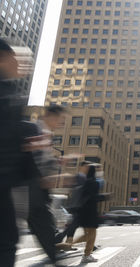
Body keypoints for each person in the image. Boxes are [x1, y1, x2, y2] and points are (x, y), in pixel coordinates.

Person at [0, 39, 31, 267]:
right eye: (16, 58)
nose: (21, 64)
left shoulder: (11, 91)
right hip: (4, 179)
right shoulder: (7, 93)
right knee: (7, 241)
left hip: (7, 180)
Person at [25, 105, 67, 263]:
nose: (61, 123)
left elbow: (43, 161)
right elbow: (28, 155)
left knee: (46, 228)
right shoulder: (33, 128)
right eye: (59, 119)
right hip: (27, 189)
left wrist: (58, 162)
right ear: (49, 115)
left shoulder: (48, 135)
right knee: (44, 227)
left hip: (37, 191)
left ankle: (55, 259)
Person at [55, 160, 91, 249]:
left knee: (74, 225)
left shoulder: (83, 177)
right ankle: (58, 240)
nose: (88, 169)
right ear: (82, 167)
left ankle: (67, 243)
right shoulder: (79, 177)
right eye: (87, 167)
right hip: (77, 205)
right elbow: (78, 191)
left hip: (78, 205)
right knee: (75, 225)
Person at [71, 165, 101, 263]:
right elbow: (93, 197)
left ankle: (84, 252)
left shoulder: (85, 183)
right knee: (91, 235)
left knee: (89, 234)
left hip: (83, 212)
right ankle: (85, 254)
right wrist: (104, 197)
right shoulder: (95, 183)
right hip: (91, 212)